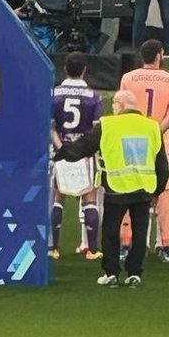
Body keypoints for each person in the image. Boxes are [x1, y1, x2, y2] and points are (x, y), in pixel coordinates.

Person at [53, 89, 168, 287]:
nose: (113, 107)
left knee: (110, 231)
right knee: (140, 233)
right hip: (143, 188)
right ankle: (135, 273)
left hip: (117, 188)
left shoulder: (107, 125)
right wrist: (157, 191)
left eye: (114, 103)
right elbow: (162, 165)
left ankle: (111, 272)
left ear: (121, 105)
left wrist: (61, 152)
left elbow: (81, 148)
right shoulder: (153, 127)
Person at [120, 39, 169, 263]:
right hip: (160, 143)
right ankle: (164, 245)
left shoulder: (128, 78)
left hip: (133, 142)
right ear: (159, 55)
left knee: (129, 190)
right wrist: (155, 132)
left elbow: (122, 109)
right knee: (163, 194)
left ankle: (127, 243)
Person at [48, 51, 103, 262]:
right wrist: (80, 147)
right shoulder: (93, 96)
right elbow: (97, 129)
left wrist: (62, 147)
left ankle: (54, 248)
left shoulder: (54, 93)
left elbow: (50, 126)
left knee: (58, 196)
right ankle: (92, 249)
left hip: (61, 149)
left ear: (64, 69)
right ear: (85, 70)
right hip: (84, 152)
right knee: (89, 197)